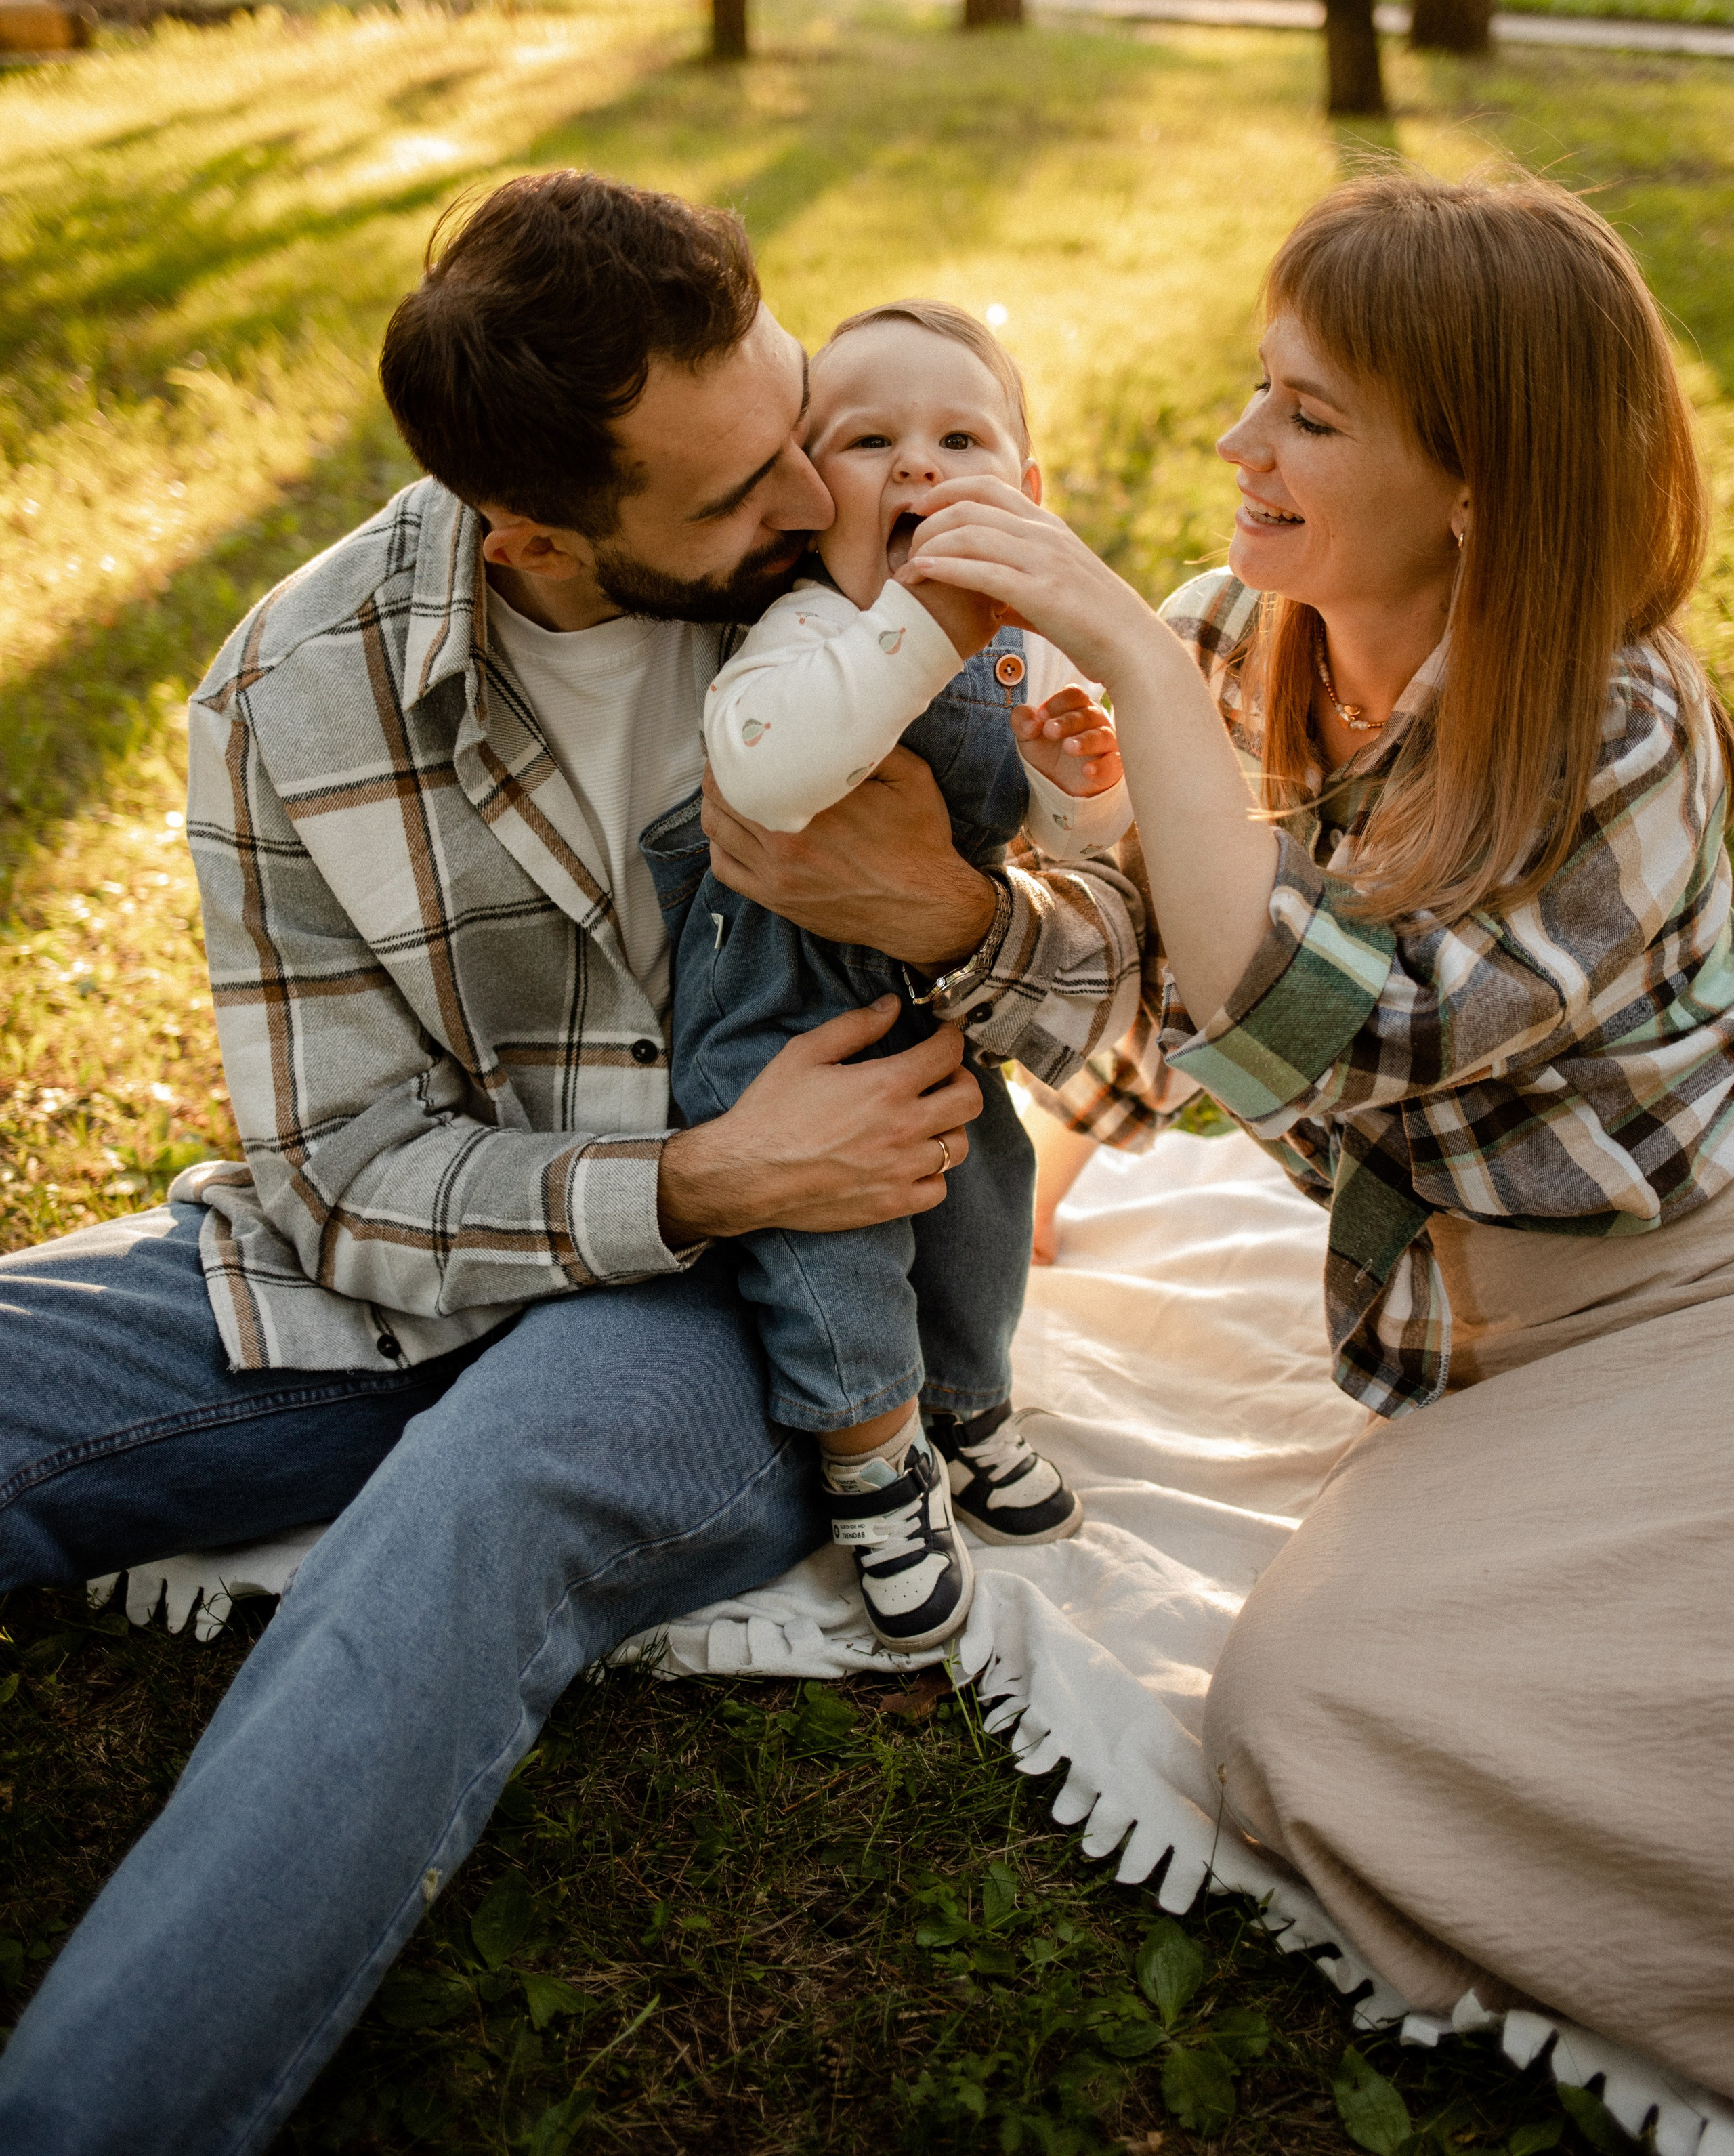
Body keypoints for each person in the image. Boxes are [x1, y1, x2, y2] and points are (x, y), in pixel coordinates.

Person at [0, 171, 1146, 2155]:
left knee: (466, 1515)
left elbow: (1146, 1023)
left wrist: (956, 912)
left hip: (744, 1322)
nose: (813, 492)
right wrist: (703, 1173)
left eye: (793, 408)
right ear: (531, 527)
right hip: (434, 1254)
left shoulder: (895, 582)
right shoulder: (297, 691)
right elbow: (341, 1169)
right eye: (732, 494)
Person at [893, 167, 1734, 2098]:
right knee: (1312, 1713)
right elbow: (1155, 984)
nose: (1234, 443)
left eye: (1310, 415)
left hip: (1679, 1302)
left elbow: (1319, 1037)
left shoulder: (1620, 724)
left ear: (1477, 483)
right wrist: (1049, 1185)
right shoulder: (1228, 636)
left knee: (1320, 1715)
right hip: (1464, 1347)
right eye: (1260, 389)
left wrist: (1113, 661)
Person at [646, 301, 1129, 1650]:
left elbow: (1075, 843)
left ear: (1026, 494)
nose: (917, 467)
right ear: (810, 499)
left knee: (979, 1201)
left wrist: (1077, 774)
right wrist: (922, 613)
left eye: (958, 438)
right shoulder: (806, 629)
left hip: (937, 1002)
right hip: (778, 1014)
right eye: (867, 441)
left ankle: (970, 1399)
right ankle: (873, 1462)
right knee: (836, 1245)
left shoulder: (1023, 647)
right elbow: (776, 767)